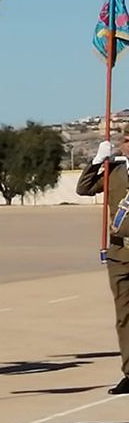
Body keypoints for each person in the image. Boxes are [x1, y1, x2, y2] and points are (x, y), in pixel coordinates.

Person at [75, 132, 129, 395]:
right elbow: (84, 188)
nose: (127, 145)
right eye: (126, 141)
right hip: (120, 255)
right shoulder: (114, 172)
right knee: (124, 317)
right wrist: (97, 161)